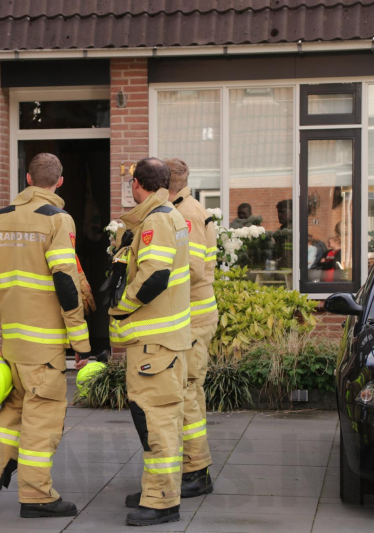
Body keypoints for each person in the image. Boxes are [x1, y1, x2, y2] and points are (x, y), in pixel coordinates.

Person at [0, 153, 92, 518]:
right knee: (42, 420)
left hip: (11, 342)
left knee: (12, 410)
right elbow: (66, 284)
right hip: (44, 347)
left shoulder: (0, 217)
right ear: (59, 181)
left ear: (27, 178)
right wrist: (81, 344)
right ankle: (37, 497)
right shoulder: (58, 219)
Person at [108, 158, 191, 527]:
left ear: (137, 184)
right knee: (161, 422)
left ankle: (161, 502)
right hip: (162, 343)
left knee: (155, 423)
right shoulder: (165, 214)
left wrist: (119, 309)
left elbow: (155, 277)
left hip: (154, 345)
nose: (129, 189)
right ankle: (157, 491)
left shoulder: (157, 219)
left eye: (131, 183)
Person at [165, 158, 216, 498]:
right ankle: (192, 468)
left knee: (188, 393)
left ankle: (196, 471)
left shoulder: (187, 214)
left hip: (193, 319)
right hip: (190, 317)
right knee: (188, 393)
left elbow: (194, 269)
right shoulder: (181, 208)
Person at [275, 199, 293, 269]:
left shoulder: (292, 230)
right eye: (278, 212)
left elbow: (288, 255)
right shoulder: (283, 229)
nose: (279, 215)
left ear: (292, 212)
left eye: (282, 212)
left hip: (288, 271)